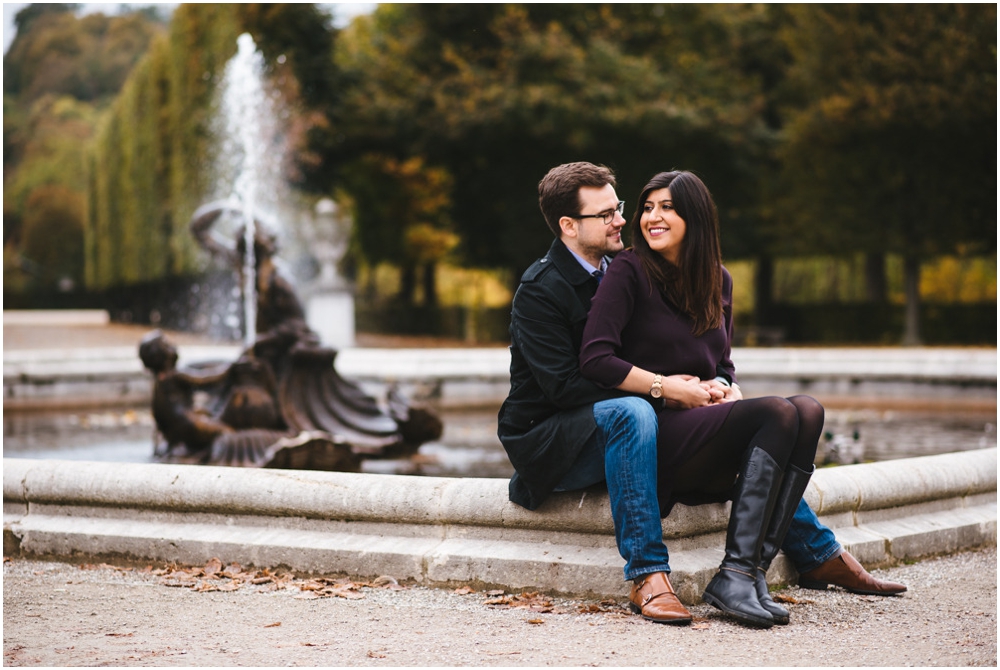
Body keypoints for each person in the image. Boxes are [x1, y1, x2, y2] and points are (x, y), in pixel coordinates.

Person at [498, 162, 904, 628]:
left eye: (620, 208)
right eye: (607, 213)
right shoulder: (541, 289)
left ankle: (812, 553)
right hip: (553, 436)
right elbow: (566, 385)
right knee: (635, 411)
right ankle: (648, 575)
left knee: (773, 422)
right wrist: (666, 391)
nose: (622, 220)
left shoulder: (632, 266)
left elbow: (703, 356)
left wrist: (718, 390)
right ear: (569, 226)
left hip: (635, 418)